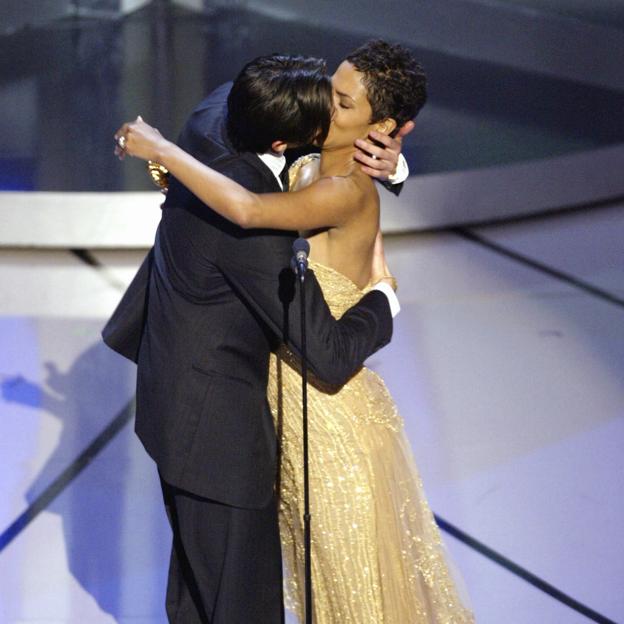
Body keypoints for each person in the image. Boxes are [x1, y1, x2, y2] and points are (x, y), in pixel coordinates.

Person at [117, 40, 475, 623]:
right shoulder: (307, 153)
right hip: (270, 406)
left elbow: (252, 213)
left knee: (347, 591)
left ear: (382, 127)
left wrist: (159, 151)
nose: (321, 104)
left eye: (340, 100)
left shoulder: (342, 188)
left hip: (329, 424)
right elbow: (233, 113)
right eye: (327, 89)